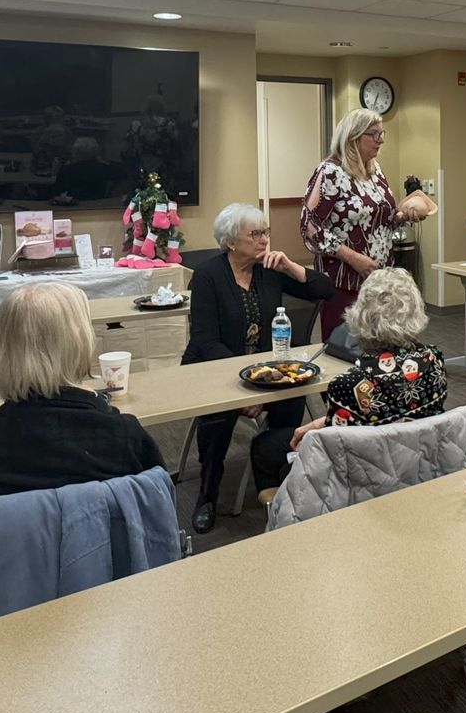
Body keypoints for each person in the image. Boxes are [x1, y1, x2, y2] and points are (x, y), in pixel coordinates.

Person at [0, 282, 163, 571]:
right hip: (104, 577)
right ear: (80, 341)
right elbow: (152, 504)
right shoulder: (122, 435)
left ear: (4, 345)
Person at [180, 202, 333, 533]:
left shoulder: (269, 269)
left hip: (264, 371)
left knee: (293, 397)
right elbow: (205, 342)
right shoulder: (208, 276)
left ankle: (276, 477)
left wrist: (292, 267)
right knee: (218, 418)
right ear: (232, 241)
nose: (264, 239)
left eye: (265, 232)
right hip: (215, 366)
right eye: (255, 234)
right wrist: (245, 387)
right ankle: (207, 493)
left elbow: (325, 290)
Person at [257, 267, 448, 492]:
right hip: (420, 467)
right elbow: (400, 416)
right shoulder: (434, 361)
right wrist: (322, 422)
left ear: (360, 315)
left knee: (265, 446)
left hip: (365, 480)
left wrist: (321, 427)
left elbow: (338, 445)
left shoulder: (349, 384)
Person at [300, 108, 426, 340]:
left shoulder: (375, 170)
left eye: (382, 134)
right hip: (343, 280)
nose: (381, 140)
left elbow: (381, 219)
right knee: (344, 347)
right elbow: (309, 227)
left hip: (379, 278)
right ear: (353, 137)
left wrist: (402, 216)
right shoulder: (330, 172)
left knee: (378, 345)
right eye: (374, 134)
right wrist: (353, 258)